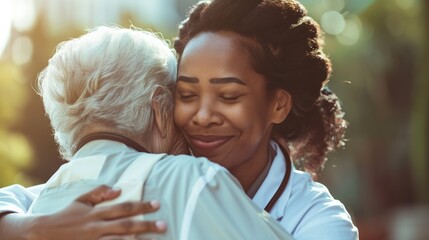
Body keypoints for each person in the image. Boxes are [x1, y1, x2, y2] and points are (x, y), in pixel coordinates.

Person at [0, 0, 359, 239]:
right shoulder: (125, 185)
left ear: (278, 105)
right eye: (186, 95)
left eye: (229, 96)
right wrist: (32, 228)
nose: (202, 116)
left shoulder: (317, 220)